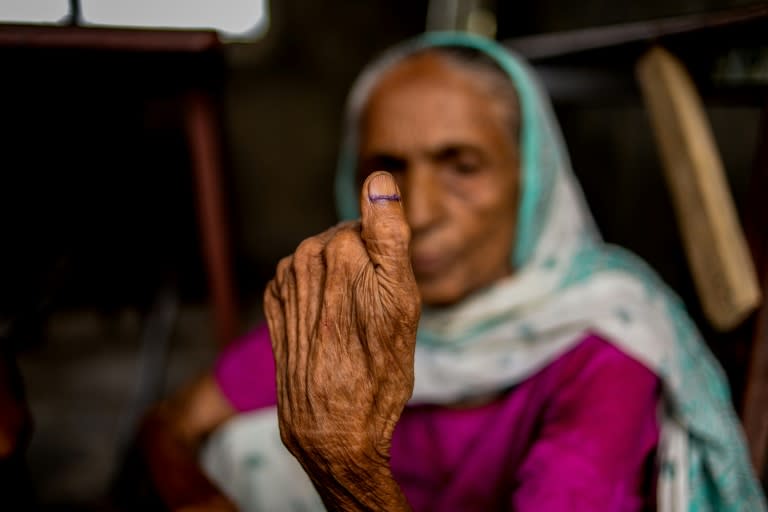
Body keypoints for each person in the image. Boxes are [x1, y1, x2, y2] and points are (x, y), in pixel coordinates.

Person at [138, 32, 766, 511]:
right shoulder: (348, 312)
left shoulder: (605, 341)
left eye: (462, 164)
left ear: (532, 182)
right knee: (244, 447)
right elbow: (173, 425)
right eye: (388, 166)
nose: (420, 213)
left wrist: (353, 480)